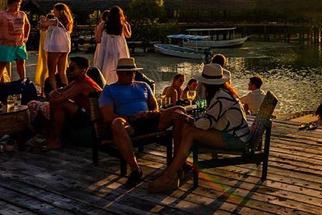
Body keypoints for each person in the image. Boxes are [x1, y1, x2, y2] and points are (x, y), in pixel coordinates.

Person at [148, 63, 251, 193]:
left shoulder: (221, 97)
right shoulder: (221, 93)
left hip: (237, 139)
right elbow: (208, 118)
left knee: (190, 132)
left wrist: (187, 118)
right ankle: (177, 167)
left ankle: (170, 175)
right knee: (187, 128)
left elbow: (207, 123)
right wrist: (189, 119)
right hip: (230, 132)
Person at [99, 57, 187, 188]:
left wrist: (150, 113)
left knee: (180, 111)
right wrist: (130, 117)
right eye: (128, 73)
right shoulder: (110, 90)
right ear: (119, 73)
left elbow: (155, 107)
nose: (132, 75)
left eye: (133, 72)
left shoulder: (143, 85)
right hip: (129, 124)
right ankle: (135, 169)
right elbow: (107, 116)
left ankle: (178, 160)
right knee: (117, 123)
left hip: (150, 119)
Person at [45, 56, 102, 149]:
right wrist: (54, 93)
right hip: (85, 113)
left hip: (91, 118)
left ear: (83, 70)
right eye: (68, 68)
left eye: (72, 68)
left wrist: (53, 95)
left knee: (60, 104)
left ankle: (55, 139)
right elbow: (61, 91)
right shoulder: (77, 81)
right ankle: (54, 137)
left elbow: (59, 98)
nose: (69, 71)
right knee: (58, 104)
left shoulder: (83, 84)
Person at [93, 6, 131, 83]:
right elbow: (128, 35)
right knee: (119, 68)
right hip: (119, 50)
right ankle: (119, 83)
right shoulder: (122, 25)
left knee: (105, 68)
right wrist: (128, 26)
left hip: (106, 50)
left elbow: (97, 39)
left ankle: (105, 84)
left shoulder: (103, 24)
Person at [43, 3, 74, 91]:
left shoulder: (55, 21)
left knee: (51, 73)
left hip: (55, 48)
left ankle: (54, 91)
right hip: (65, 48)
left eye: (54, 10)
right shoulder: (68, 22)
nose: (53, 12)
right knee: (62, 72)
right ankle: (66, 90)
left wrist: (42, 20)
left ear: (60, 11)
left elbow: (44, 24)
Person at [0, 0, 31, 82]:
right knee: (2, 64)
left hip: (19, 44)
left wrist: (26, 37)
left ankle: (23, 82)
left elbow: (27, 25)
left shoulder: (22, 14)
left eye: (19, 5)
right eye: (15, 5)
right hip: (5, 44)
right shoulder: (2, 15)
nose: (17, 7)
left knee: (21, 62)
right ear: (9, 5)